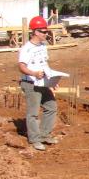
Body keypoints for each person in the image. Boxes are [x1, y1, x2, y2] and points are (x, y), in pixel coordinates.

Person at [18, 15, 58, 151]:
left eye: (46, 31)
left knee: (51, 106)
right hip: (30, 83)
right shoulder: (26, 49)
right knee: (33, 113)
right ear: (35, 32)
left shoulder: (43, 46)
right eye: (43, 31)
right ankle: (35, 139)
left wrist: (52, 81)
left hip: (43, 82)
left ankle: (44, 134)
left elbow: (44, 64)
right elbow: (21, 66)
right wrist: (34, 74)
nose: (46, 33)